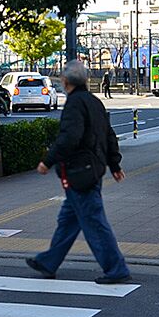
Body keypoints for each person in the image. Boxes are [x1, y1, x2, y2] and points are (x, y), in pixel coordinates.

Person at [27, 59, 131, 284]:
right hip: (92, 169)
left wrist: (48, 161)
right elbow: (108, 134)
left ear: (65, 81)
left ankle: (116, 267)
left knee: (94, 221)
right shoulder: (94, 102)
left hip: (79, 172)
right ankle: (49, 261)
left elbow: (69, 138)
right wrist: (114, 165)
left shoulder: (74, 104)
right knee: (68, 220)